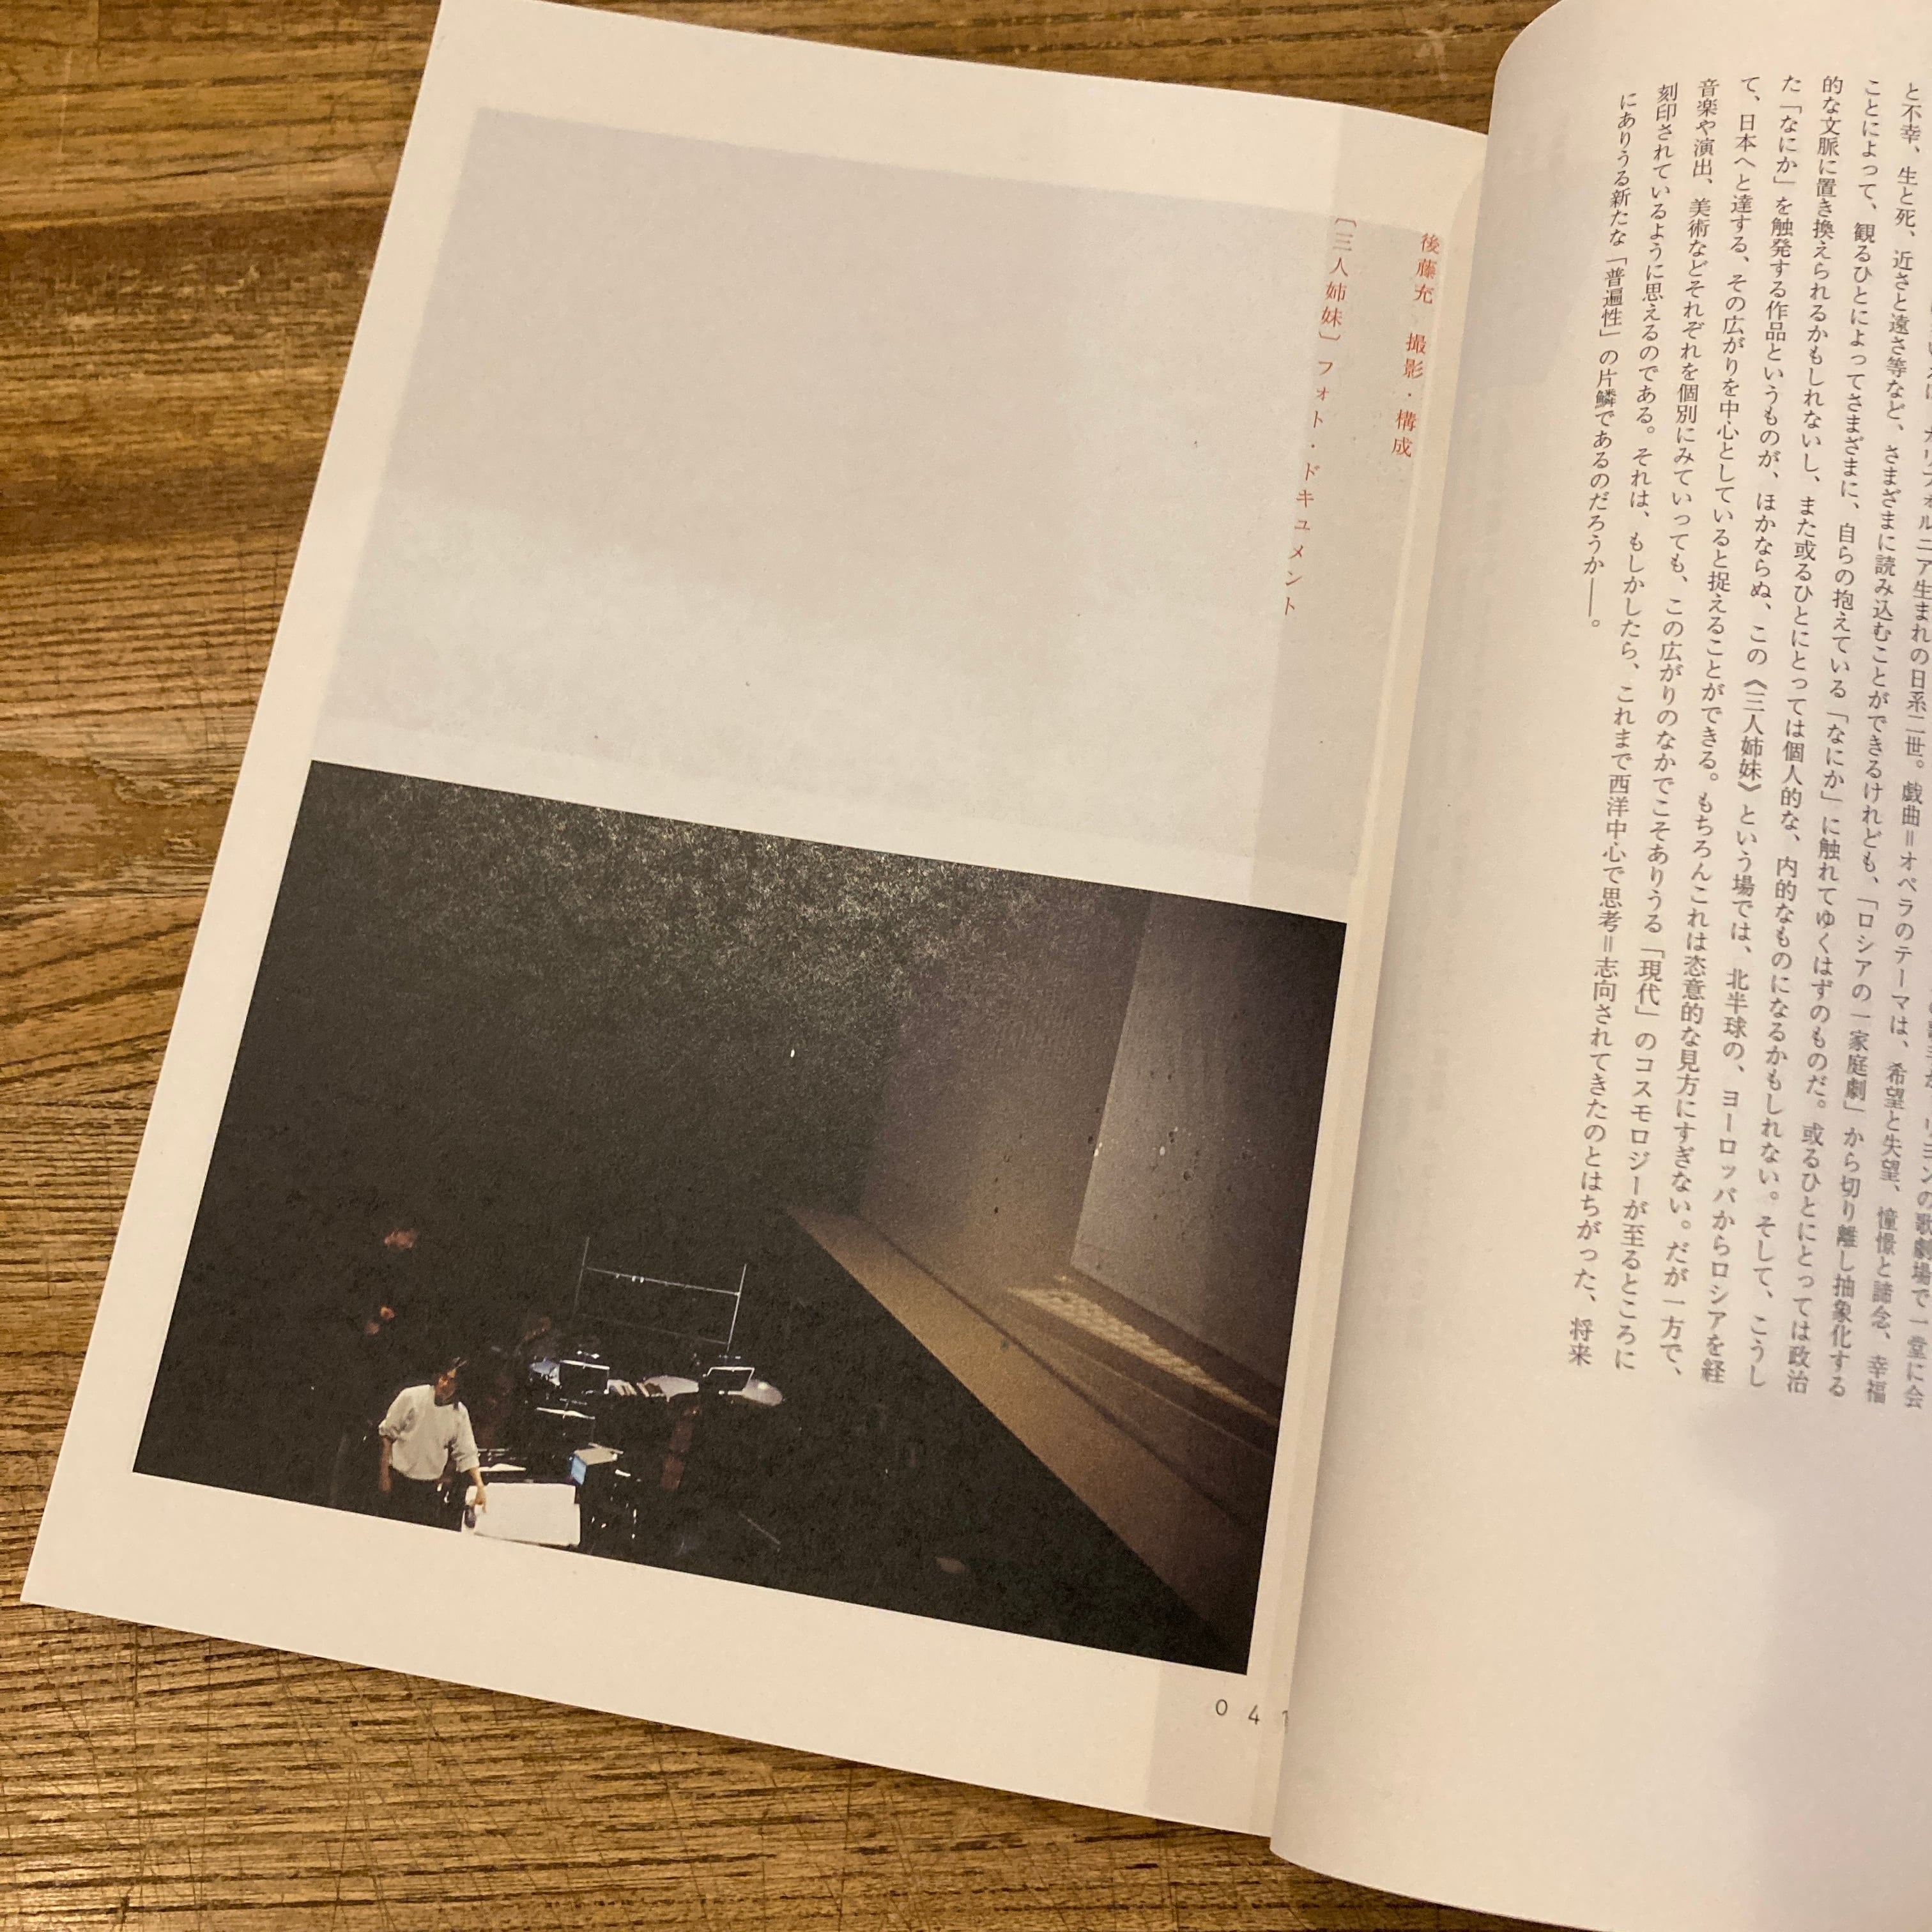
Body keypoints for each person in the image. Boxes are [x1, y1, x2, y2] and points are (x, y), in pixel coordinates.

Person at [377, 1357, 488, 1529]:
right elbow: (387, 1435)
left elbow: (467, 1453)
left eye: (451, 1381)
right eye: (444, 1378)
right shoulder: (412, 1396)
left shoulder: (460, 1414)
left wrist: (480, 1486)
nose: (444, 1384)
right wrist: (384, 1474)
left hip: (427, 1489)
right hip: (399, 1480)